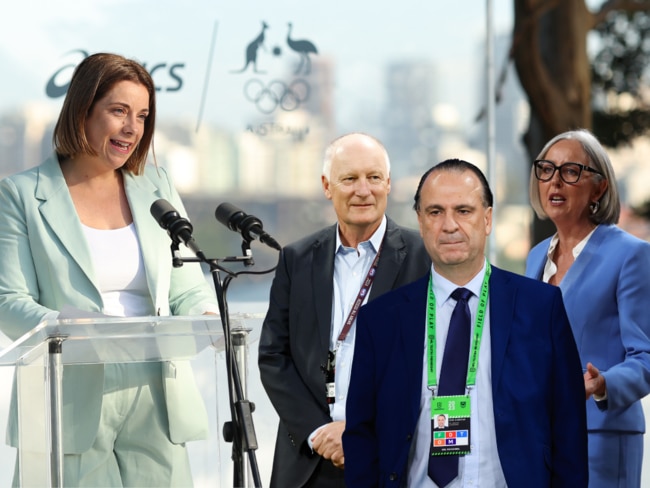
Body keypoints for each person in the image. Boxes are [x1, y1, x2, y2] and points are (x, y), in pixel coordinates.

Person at [0, 52, 219, 486]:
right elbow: (8, 302)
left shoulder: (158, 187)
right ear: (83, 109)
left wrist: (209, 317)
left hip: (157, 386)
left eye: (141, 115)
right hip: (67, 390)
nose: (132, 128)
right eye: (119, 111)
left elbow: (187, 288)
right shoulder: (21, 195)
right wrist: (68, 326)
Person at [343, 159, 588, 487]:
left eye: (463, 211)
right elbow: (362, 436)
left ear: (487, 219)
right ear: (419, 219)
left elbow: (569, 429)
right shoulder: (382, 319)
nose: (449, 225)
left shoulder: (541, 308)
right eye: (435, 212)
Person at [258, 132, 431, 487]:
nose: (362, 190)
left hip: (392, 459)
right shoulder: (297, 258)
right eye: (349, 178)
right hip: (310, 460)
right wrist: (319, 431)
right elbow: (274, 356)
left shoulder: (424, 258)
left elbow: (434, 362)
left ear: (389, 184)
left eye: (373, 177)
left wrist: (361, 431)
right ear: (327, 186)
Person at [525, 129, 650, 487]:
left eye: (571, 171)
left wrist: (603, 384)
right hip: (541, 437)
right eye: (546, 170)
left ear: (599, 187)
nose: (555, 182)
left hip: (602, 436)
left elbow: (645, 356)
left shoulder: (630, 255)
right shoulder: (536, 257)